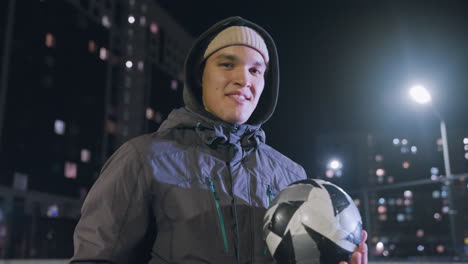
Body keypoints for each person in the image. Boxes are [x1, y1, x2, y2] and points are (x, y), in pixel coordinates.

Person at [70, 16, 367, 264]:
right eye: (227, 64)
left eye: (255, 70)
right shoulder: (143, 158)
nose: (243, 78)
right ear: (200, 76)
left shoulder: (291, 176)